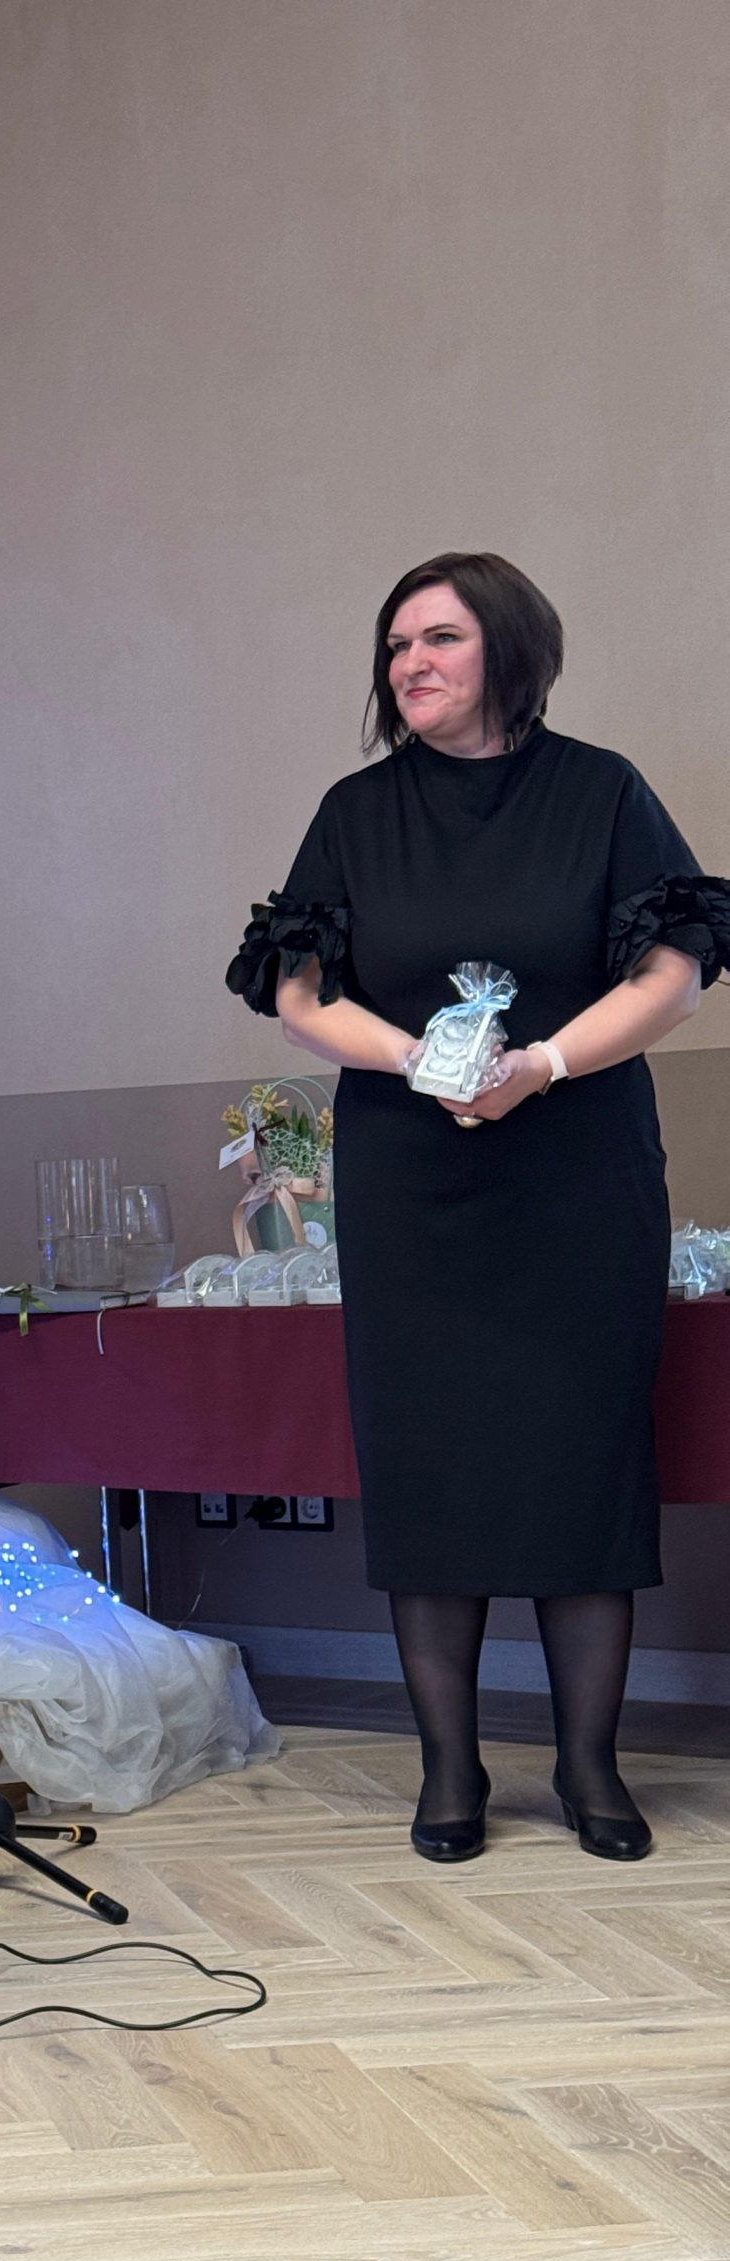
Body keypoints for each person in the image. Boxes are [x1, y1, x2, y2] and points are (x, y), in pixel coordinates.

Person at [228, 551, 729, 1865]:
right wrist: (427, 1063)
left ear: (509, 648)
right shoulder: (355, 813)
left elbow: (676, 972)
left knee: (584, 1466)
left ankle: (588, 1767)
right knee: (430, 1467)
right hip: (414, 1182)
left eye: (439, 639)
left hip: (578, 1176)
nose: (411, 664)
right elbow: (299, 993)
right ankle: (451, 1772)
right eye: (396, 646)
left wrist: (541, 1066)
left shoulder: (602, 792)